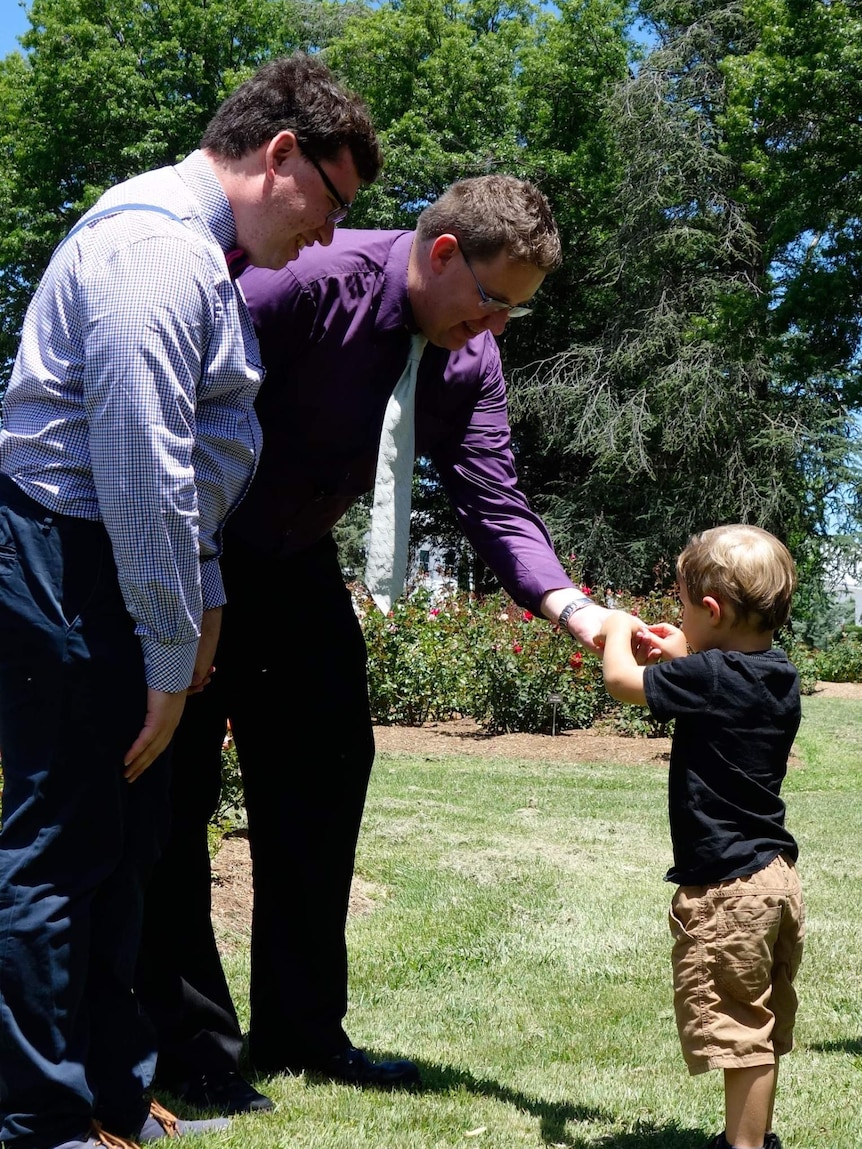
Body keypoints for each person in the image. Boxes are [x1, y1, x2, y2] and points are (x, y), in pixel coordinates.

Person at [134, 174, 615, 1108]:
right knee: (177, 789)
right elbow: (175, 415)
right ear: (443, 253)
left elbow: (495, 500)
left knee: (324, 773)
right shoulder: (296, 284)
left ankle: (305, 1033)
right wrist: (183, 582)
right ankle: (188, 1045)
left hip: (298, 564)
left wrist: (577, 612)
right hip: (202, 552)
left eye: (515, 311)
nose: (497, 329)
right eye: (493, 301)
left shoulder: (466, 358)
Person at [0, 53, 381, 1149]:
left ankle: (114, 1101)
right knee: (64, 848)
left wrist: (199, 606)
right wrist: (173, 660)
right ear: (278, 156)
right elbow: (142, 469)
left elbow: (192, 469)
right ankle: (38, 1119)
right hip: (67, 567)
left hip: (103, 569)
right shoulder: (152, 249)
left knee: (124, 849)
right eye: (333, 200)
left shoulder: (192, 255)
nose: (328, 232)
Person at [599, 525, 804, 1149]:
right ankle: (751, 1140)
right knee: (758, 1025)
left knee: (738, 1034)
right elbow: (718, 682)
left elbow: (621, 684)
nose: (680, 617)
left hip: (726, 888)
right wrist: (688, 653)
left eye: (686, 607)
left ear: (710, 611)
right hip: (774, 879)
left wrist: (615, 632)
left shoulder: (711, 675)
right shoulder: (778, 676)